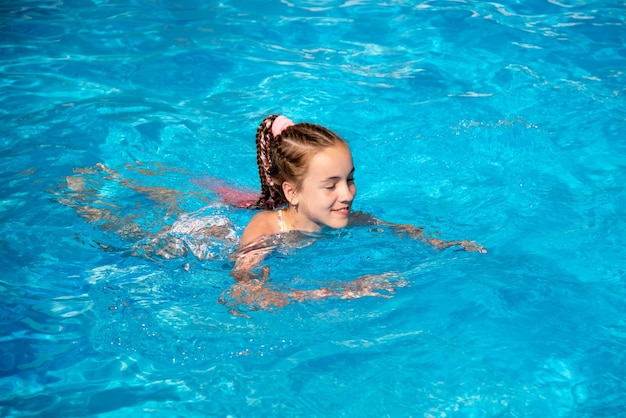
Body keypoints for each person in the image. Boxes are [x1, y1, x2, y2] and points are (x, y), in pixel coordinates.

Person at [214, 114, 486, 312]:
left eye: (349, 180)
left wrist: (446, 245)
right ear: (293, 192)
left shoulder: (351, 220)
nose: (347, 194)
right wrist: (342, 291)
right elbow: (246, 293)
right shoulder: (266, 229)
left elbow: (401, 229)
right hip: (214, 232)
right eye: (331, 185)